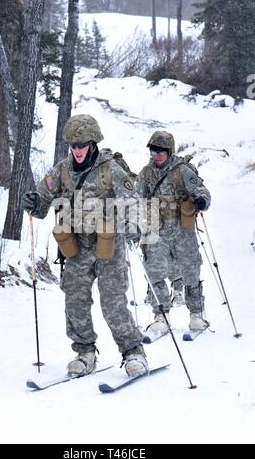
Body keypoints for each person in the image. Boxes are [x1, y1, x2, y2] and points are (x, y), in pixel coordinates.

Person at [21, 114, 148, 378]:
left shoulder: (110, 169)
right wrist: (34, 201)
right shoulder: (62, 170)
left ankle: (133, 351)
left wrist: (134, 226)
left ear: (93, 143)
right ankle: (85, 352)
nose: (77, 150)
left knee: (112, 302)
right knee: (75, 300)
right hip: (76, 246)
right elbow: (43, 198)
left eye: (82, 145)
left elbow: (133, 201)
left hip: (108, 245)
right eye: (73, 145)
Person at [138, 130, 211, 334]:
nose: (157, 155)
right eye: (153, 150)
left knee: (190, 270)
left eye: (161, 151)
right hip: (157, 228)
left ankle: (196, 314)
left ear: (169, 151)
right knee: (154, 270)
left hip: (182, 229)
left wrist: (201, 201)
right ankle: (160, 315)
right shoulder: (146, 173)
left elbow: (203, 191)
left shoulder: (182, 171)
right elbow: (136, 198)